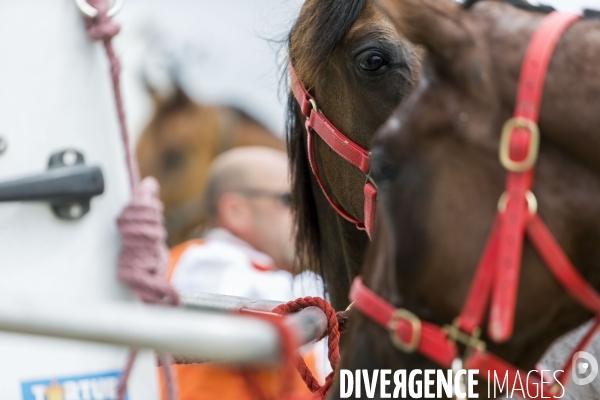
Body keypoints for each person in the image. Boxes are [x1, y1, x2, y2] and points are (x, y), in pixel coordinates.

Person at [159, 146, 326, 400]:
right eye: (289, 200)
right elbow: (266, 306)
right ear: (235, 211)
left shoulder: (261, 272)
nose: (303, 215)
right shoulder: (202, 261)